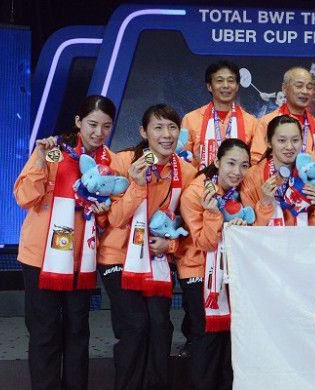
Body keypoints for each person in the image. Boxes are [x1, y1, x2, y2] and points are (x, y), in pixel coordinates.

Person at [14, 95, 116, 390]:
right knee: (45, 332)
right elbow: (24, 197)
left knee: (77, 332)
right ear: (78, 122)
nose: (98, 132)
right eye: (92, 124)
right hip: (41, 258)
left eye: (106, 126)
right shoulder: (56, 152)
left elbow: (110, 218)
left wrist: (103, 213)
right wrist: (38, 159)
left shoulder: (109, 163)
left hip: (81, 260)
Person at [98, 104, 197, 390]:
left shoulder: (187, 173)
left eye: (172, 128)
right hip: (118, 255)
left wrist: (170, 244)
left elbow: (191, 227)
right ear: (143, 131)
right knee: (135, 326)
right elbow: (114, 219)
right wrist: (137, 185)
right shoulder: (124, 162)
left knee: (160, 326)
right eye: (158, 127)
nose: (166, 135)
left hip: (156, 261)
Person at [179, 138, 252, 389]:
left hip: (228, 273)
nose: (237, 172)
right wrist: (212, 214)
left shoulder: (239, 192)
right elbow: (204, 242)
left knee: (228, 338)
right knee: (206, 337)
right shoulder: (196, 192)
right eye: (231, 163)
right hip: (197, 272)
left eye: (244, 165)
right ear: (217, 161)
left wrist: (244, 227)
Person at [241, 115, 315, 226]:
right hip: (269, 242)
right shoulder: (252, 177)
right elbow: (247, 231)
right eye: (282, 140)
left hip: (306, 241)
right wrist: (265, 203)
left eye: (295, 140)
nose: (289, 147)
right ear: (268, 142)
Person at [181, 60, 259, 171]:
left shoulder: (252, 123)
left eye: (231, 81)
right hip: (200, 185)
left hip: (239, 185)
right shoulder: (190, 119)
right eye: (219, 81)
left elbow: (255, 164)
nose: (226, 85)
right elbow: (184, 160)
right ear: (209, 86)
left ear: (237, 86)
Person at [251, 67, 315, 164]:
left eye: (309, 87)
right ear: (284, 88)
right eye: (299, 86)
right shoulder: (268, 122)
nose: (305, 91)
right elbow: (256, 162)